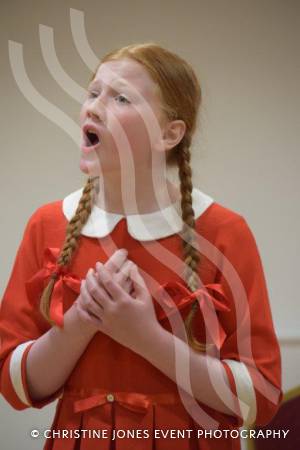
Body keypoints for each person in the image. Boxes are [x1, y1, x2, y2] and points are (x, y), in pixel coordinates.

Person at [0, 43, 282, 450]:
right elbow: (16, 386)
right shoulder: (47, 224)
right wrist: (80, 321)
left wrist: (146, 337)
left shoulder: (225, 231)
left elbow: (261, 397)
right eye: (93, 92)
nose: (94, 107)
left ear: (170, 134)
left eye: (120, 98)